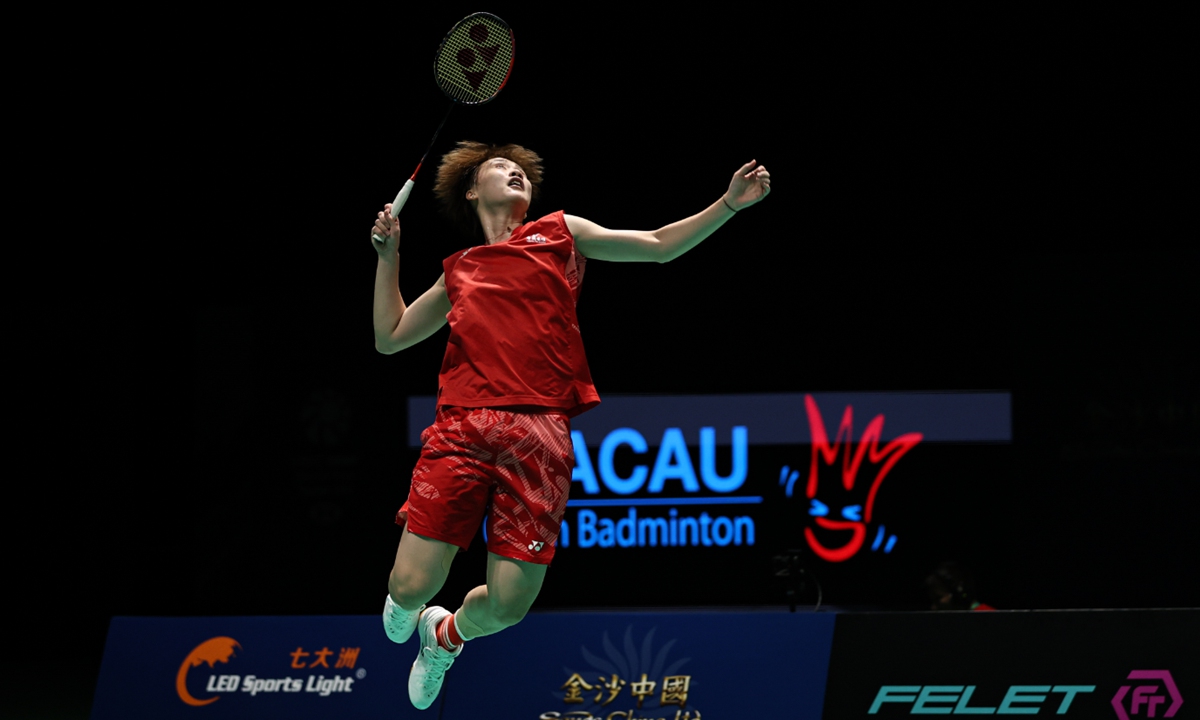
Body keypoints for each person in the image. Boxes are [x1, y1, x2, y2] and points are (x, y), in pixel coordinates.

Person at [370, 140, 771, 709]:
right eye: (498, 167)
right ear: (470, 189)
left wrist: (727, 205)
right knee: (408, 588)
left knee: (508, 606)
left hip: (540, 434)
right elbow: (390, 338)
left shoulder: (561, 233)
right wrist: (389, 257)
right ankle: (413, 606)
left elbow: (656, 247)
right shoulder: (458, 270)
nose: (514, 172)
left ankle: (446, 635)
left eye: (521, 170)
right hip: (464, 426)